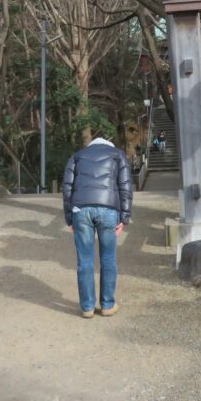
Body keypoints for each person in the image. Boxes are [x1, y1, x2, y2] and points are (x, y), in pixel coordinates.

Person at [61, 130, 133, 318]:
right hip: (108, 209)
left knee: (84, 260)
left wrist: (69, 217)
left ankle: (87, 307)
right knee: (108, 258)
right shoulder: (118, 155)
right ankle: (107, 305)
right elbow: (125, 187)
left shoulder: (76, 156)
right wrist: (124, 218)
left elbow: (67, 188)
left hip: (81, 210)